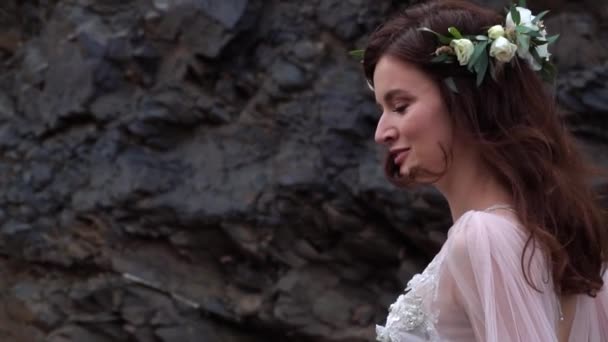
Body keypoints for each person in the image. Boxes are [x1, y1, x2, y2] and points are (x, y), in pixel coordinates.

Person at [361, 0, 608, 341]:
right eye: (382, 109)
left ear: (463, 101)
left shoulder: (484, 236)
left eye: (400, 106)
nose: (381, 132)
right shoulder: (557, 239)